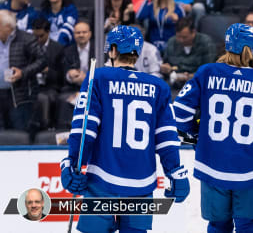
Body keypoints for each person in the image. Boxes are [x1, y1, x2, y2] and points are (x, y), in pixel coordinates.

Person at [60, 25, 190, 233]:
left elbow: (85, 130)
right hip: (142, 183)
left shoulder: (99, 78)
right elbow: (166, 138)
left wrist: (72, 163)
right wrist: (175, 172)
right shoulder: (159, 87)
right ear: (137, 53)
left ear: (112, 50)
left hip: (102, 183)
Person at [173, 23, 253, 233]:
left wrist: (196, 134)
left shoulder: (207, 72)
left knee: (218, 226)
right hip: (249, 169)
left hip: (211, 165)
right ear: (249, 50)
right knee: (248, 226)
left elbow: (179, 113)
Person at [0, 10, 47, 133]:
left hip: (19, 94)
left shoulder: (26, 39)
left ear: (7, 26)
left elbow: (43, 60)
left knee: (19, 132)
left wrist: (23, 72)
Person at [161, 16, 216, 98]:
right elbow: (166, 64)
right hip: (175, 84)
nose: (181, 40)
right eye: (178, 37)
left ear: (193, 32)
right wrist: (165, 68)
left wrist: (189, 76)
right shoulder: (171, 42)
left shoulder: (206, 43)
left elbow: (209, 72)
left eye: (184, 37)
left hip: (198, 85)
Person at [57, 20, 94, 129]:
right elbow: (63, 73)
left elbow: (104, 72)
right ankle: (65, 132)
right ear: (73, 35)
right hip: (73, 88)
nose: (81, 35)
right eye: (78, 33)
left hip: (94, 89)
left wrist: (87, 78)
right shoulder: (68, 51)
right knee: (64, 99)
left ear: (90, 34)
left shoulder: (99, 49)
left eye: (84, 32)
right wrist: (70, 75)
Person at [32, 17, 65, 129]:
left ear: (48, 32)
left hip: (52, 86)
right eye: (35, 36)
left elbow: (62, 75)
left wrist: (48, 71)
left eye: (41, 36)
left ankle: (47, 126)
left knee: (46, 98)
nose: (38, 39)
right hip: (33, 86)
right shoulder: (29, 46)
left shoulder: (58, 48)